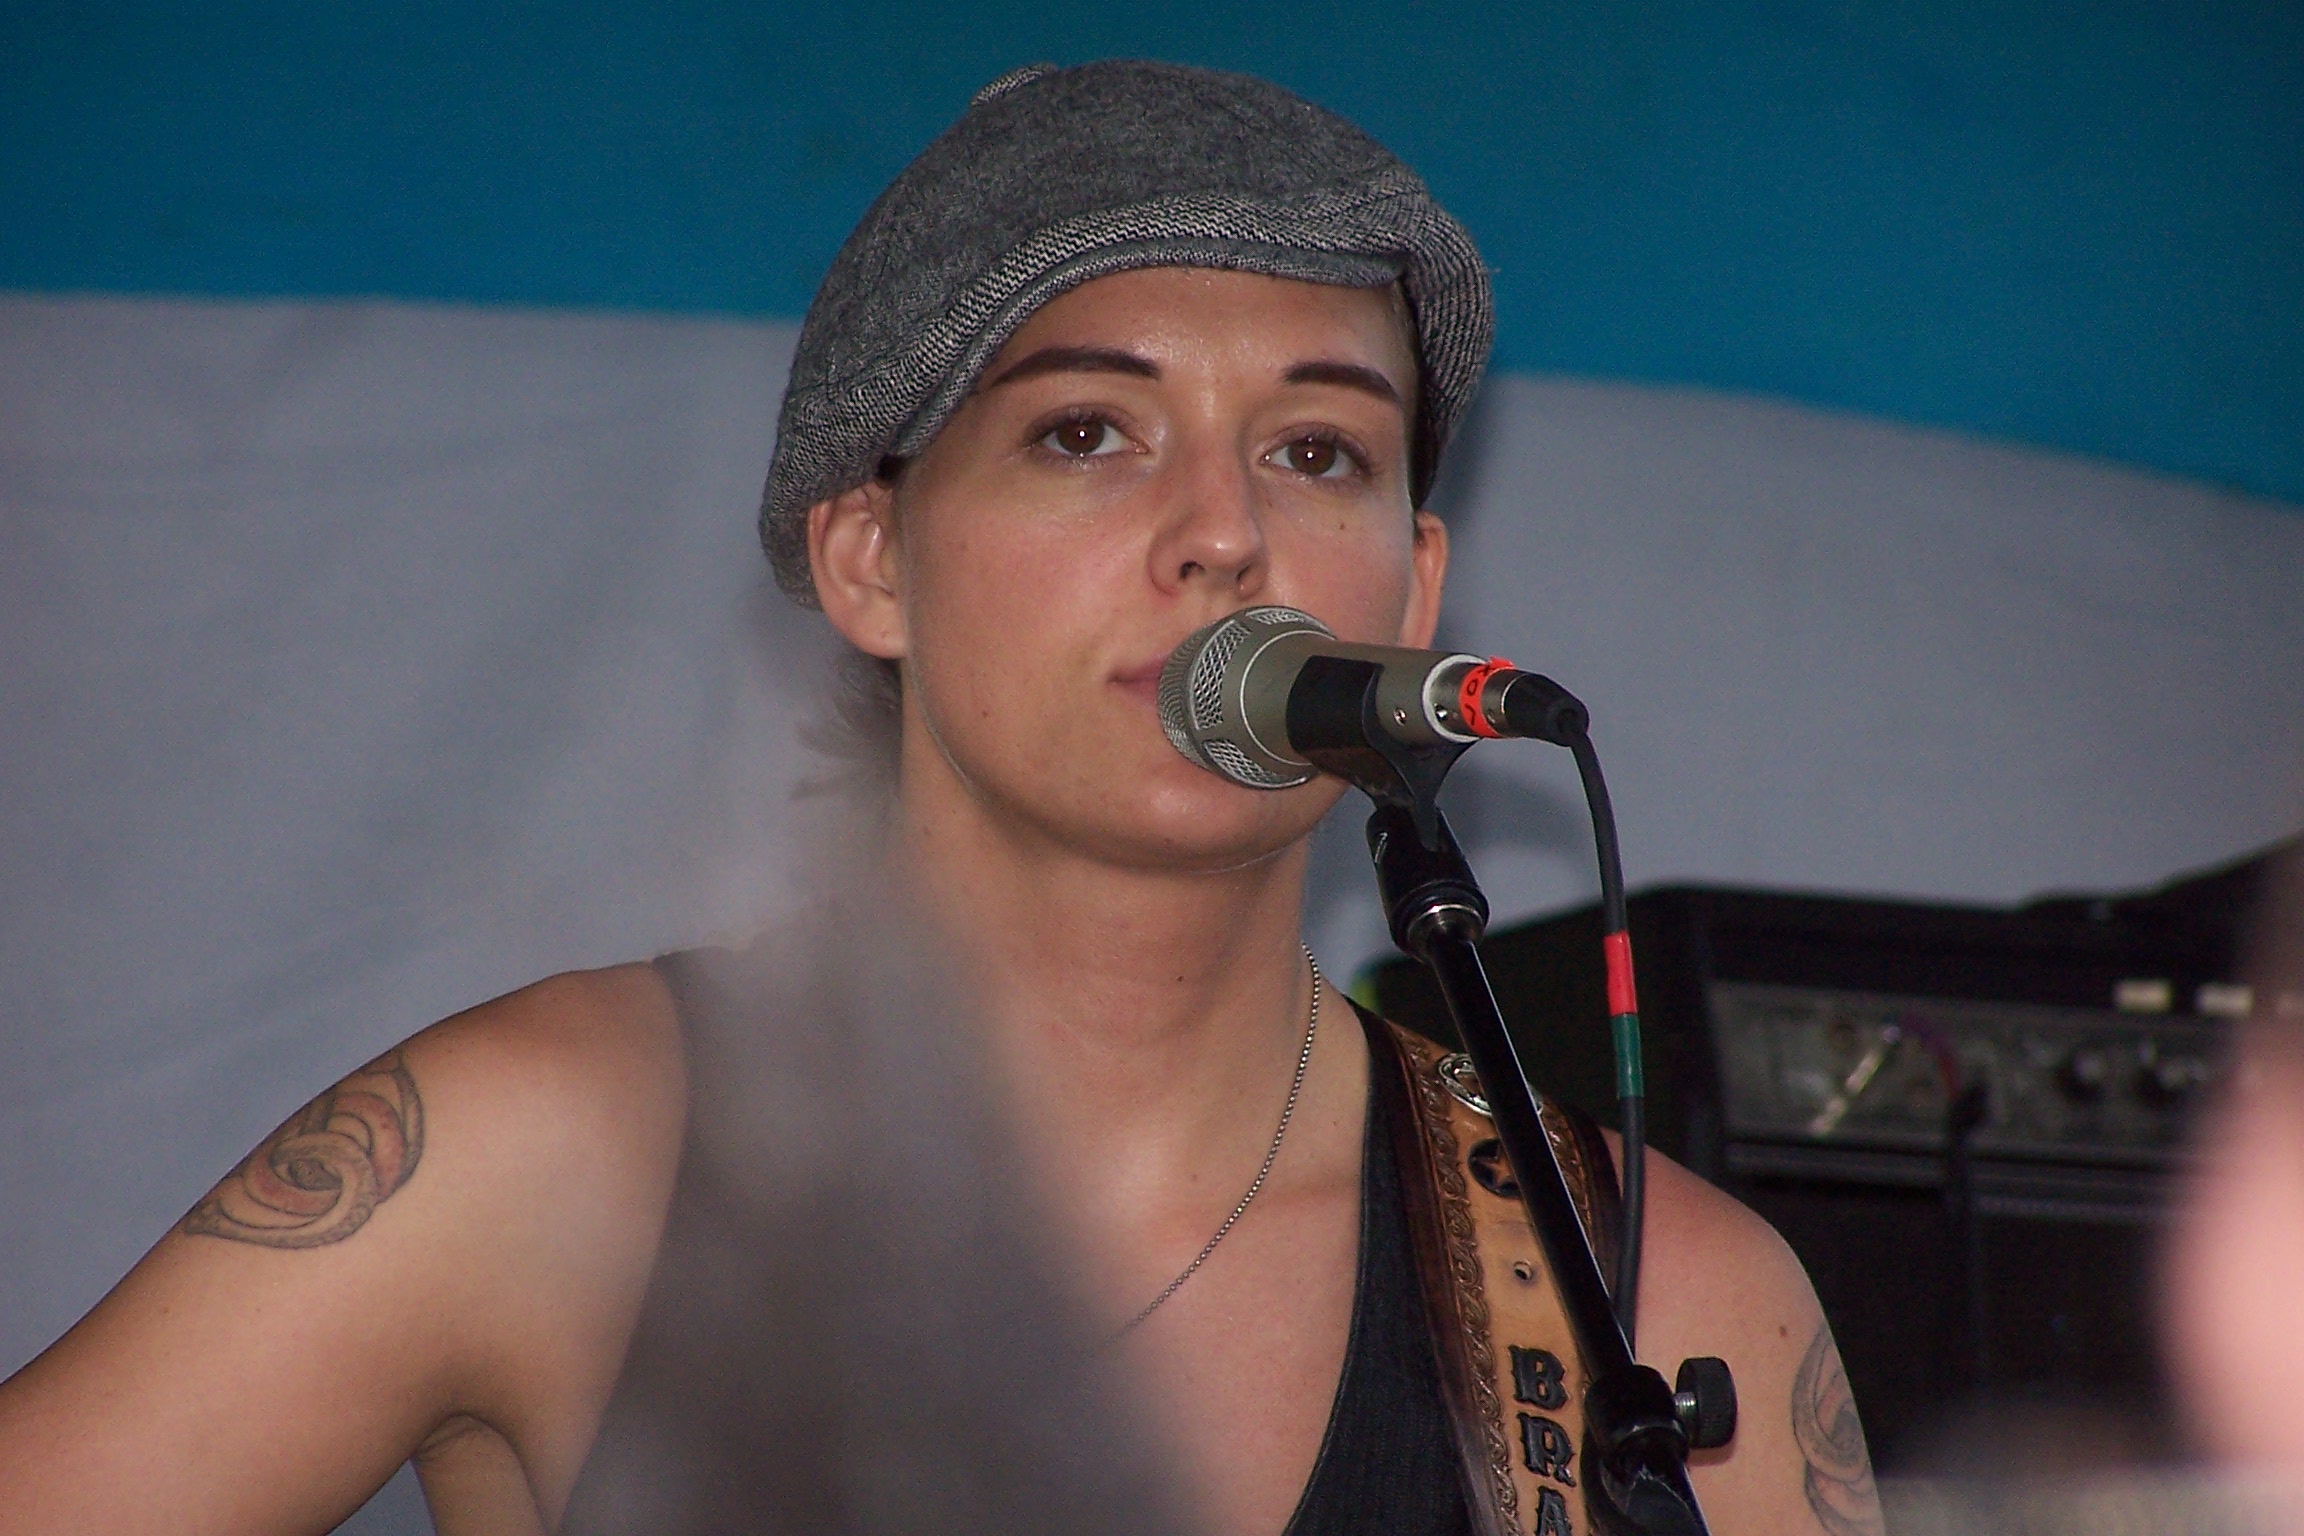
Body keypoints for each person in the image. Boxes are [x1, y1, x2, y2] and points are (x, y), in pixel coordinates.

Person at [0, 60, 1884, 1536]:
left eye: (1318, 449)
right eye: (1089, 432)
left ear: (1411, 587)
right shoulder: (557, 1156)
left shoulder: (1651, 1289)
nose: (1226, 530)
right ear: (867, 560)